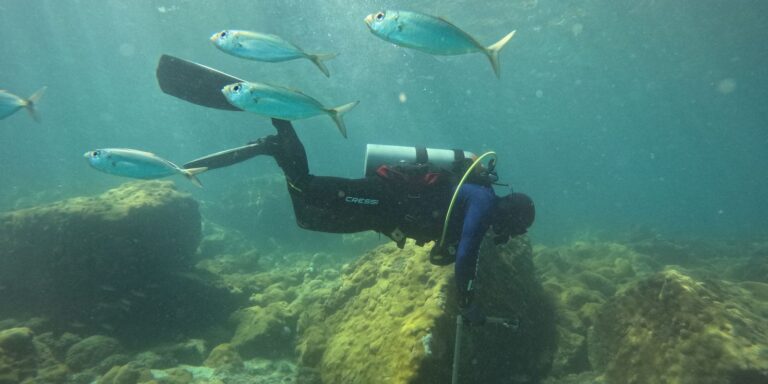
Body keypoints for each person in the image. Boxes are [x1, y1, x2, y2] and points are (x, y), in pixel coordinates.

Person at [185, 119, 535, 325]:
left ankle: (279, 149)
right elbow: (467, 252)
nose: (508, 234)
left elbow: (452, 246)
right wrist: (467, 303)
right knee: (309, 191)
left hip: (382, 216)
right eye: (515, 228)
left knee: (309, 219)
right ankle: (282, 135)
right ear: (512, 213)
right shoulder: (483, 200)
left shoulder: (482, 201)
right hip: (383, 197)